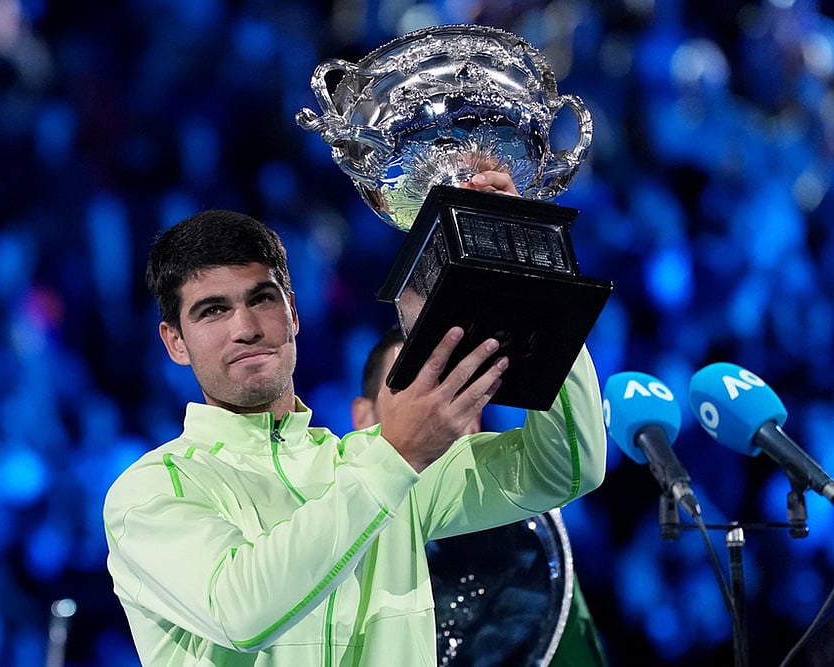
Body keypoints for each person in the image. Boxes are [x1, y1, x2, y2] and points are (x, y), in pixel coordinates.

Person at [103, 171, 607, 666]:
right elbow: (241, 612)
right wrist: (396, 457)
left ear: (293, 314)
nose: (246, 328)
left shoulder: (370, 464)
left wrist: (528, 264)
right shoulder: (150, 491)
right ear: (175, 342)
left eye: (262, 299)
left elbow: (564, 468)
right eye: (212, 311)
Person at [352, 325, 609, 667]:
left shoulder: (533, 553)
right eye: (410, 395)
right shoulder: (326, 519)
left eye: (453, 393)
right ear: (362, 418)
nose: (431, 412)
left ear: (474, 419)